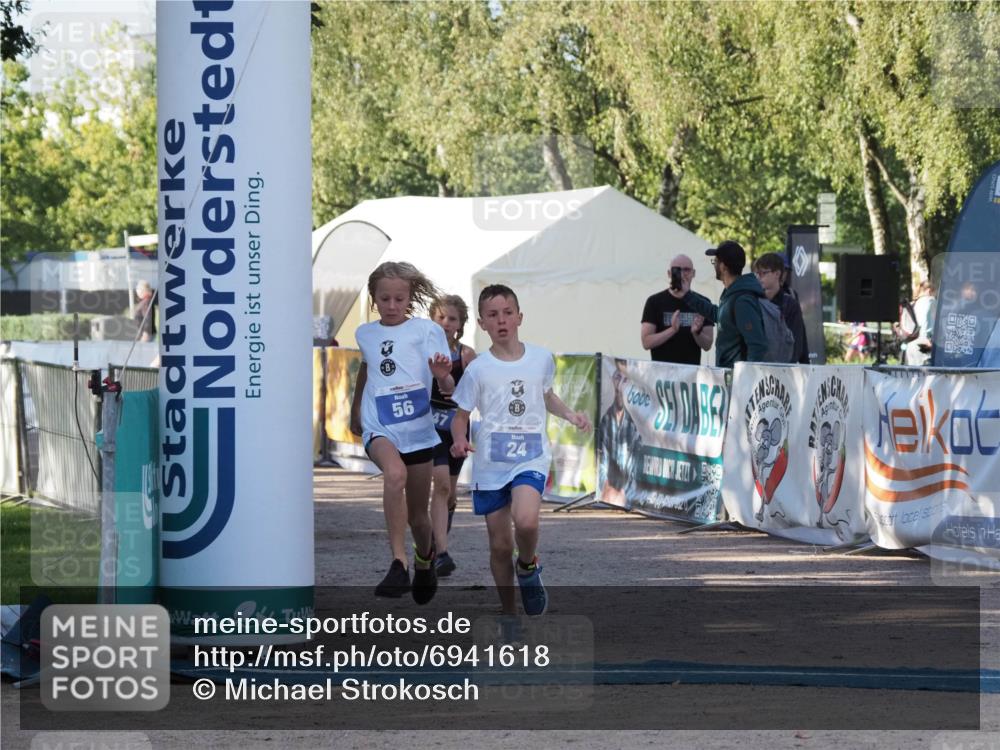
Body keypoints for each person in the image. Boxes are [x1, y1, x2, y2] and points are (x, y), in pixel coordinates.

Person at [450, 285, 591, 617]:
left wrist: (570, 414)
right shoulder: (477, 369)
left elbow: (546, 395)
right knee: (500, 546)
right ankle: (509, 612)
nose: (502, 321)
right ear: (482, 323)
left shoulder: (541, 358)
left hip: (531, 456)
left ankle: (527, 566)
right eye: (493, 315)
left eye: (508, 313)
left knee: (526, 522)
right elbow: (461, 415)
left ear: (519, 317)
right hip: (491, 463)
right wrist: (459, 439)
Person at [350, 261, 454, 604]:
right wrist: (355, 411)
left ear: (409, 298)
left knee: (419, 518)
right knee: (393, 475)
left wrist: (441, 376)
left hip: (419, 432)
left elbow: (449, 387)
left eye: (399, 299)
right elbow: (367, 370)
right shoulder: (365, 333)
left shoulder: (426, 331)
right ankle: (399, 562)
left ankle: (425, 559)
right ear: (374, 298)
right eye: (384, 299)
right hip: (380, 426)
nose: (392, 306)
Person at [427, 294, 476, 577]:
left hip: (455, 429)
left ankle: (435, 543)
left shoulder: (465, 355)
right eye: (441, 317)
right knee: (441, 485)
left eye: (452, 319)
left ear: (460, 325)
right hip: (426, 429)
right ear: (432, 320)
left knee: (450, 494)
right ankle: (441, 554)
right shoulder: (420, 350)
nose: (446, 323)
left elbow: (473, 394)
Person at [680, 240, 768, 368]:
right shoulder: (733, 293)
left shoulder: (742, 300)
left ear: (723, 266)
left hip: (737, 380)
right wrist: (687, 295)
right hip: (728, 377)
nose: (714, 265)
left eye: (715, 261)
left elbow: (758, 345)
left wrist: (746, 379)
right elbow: (719, 315)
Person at [640, 254, 714, 365]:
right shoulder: (654, 302)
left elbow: (707, 345)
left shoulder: (703, 303)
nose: (682, 274)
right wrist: (672, 330)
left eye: (686, 270)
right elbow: (646, 342)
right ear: (669, 273)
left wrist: (697, 332)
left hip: (690, 375)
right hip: (662, 376)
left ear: (693, 273)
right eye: (676, 270)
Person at [597, 358, 642, 507]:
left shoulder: (634, 427)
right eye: (617, 377)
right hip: (607, 493)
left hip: (625, 496)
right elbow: (601, 463)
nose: (620, 384)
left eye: (625, 380)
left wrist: (623, 494)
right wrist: (606, 489)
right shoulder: (605, 421)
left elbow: (635, 471)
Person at [752, 253, 810, 364]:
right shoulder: (753, 301)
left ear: (777, 274)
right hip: (758, 368)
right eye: (757, 273)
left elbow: (798, 340)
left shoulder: (790, 304)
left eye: (763, 273)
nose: (759, 277)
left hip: (784, 370)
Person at [902, 279, 936, 366]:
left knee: (912, 377)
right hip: (924, 345)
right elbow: (928, 324)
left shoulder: (912, 304)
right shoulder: (930, 301)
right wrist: (929, 340)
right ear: (929, 291)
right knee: (926, 377)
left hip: (910, 345)